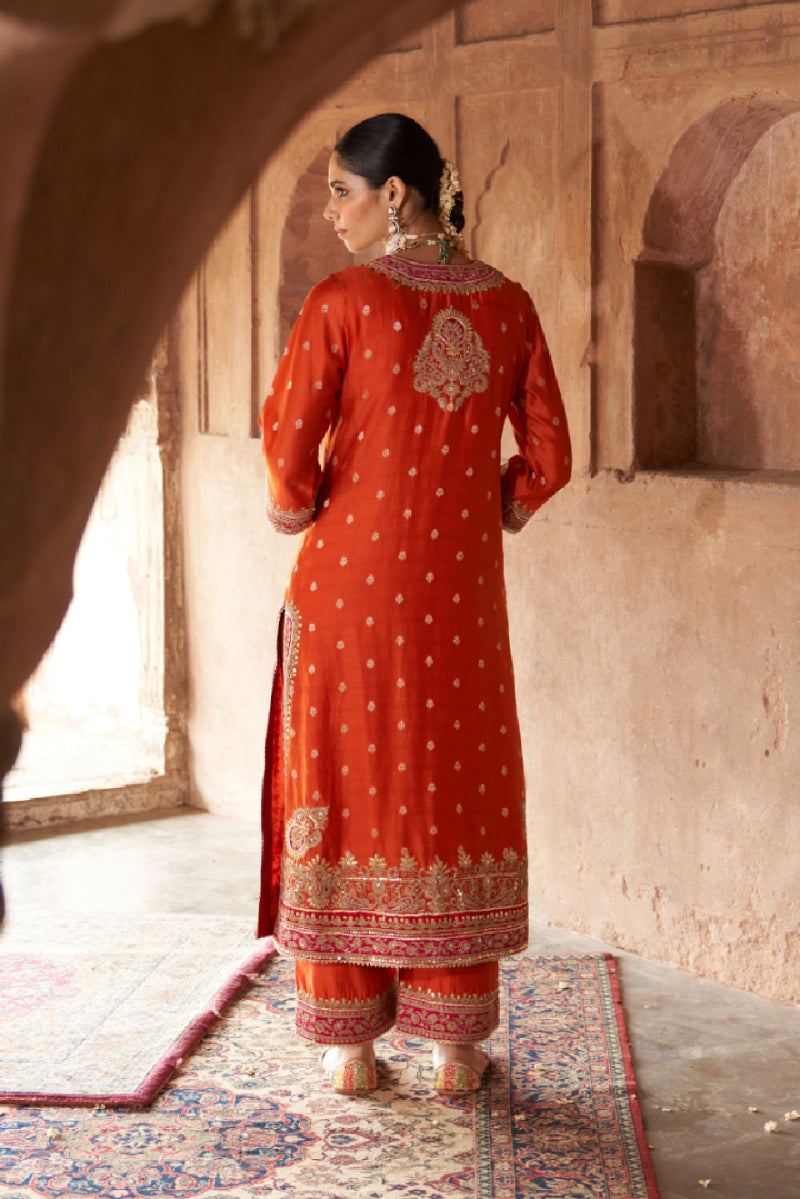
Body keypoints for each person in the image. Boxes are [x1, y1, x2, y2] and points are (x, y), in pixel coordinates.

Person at [257, 113, 571, 1097]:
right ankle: (454, 1045)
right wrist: (494, 511)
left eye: (339, 190)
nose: (329, 210)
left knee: (343, 790)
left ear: (393, 194)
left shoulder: (342, 301)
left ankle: (349, 1047)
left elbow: (285, 456)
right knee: (449, 787)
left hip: (346, 593)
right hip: (459, 604)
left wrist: (297, 507)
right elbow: (550, 458)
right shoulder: (509, 305)